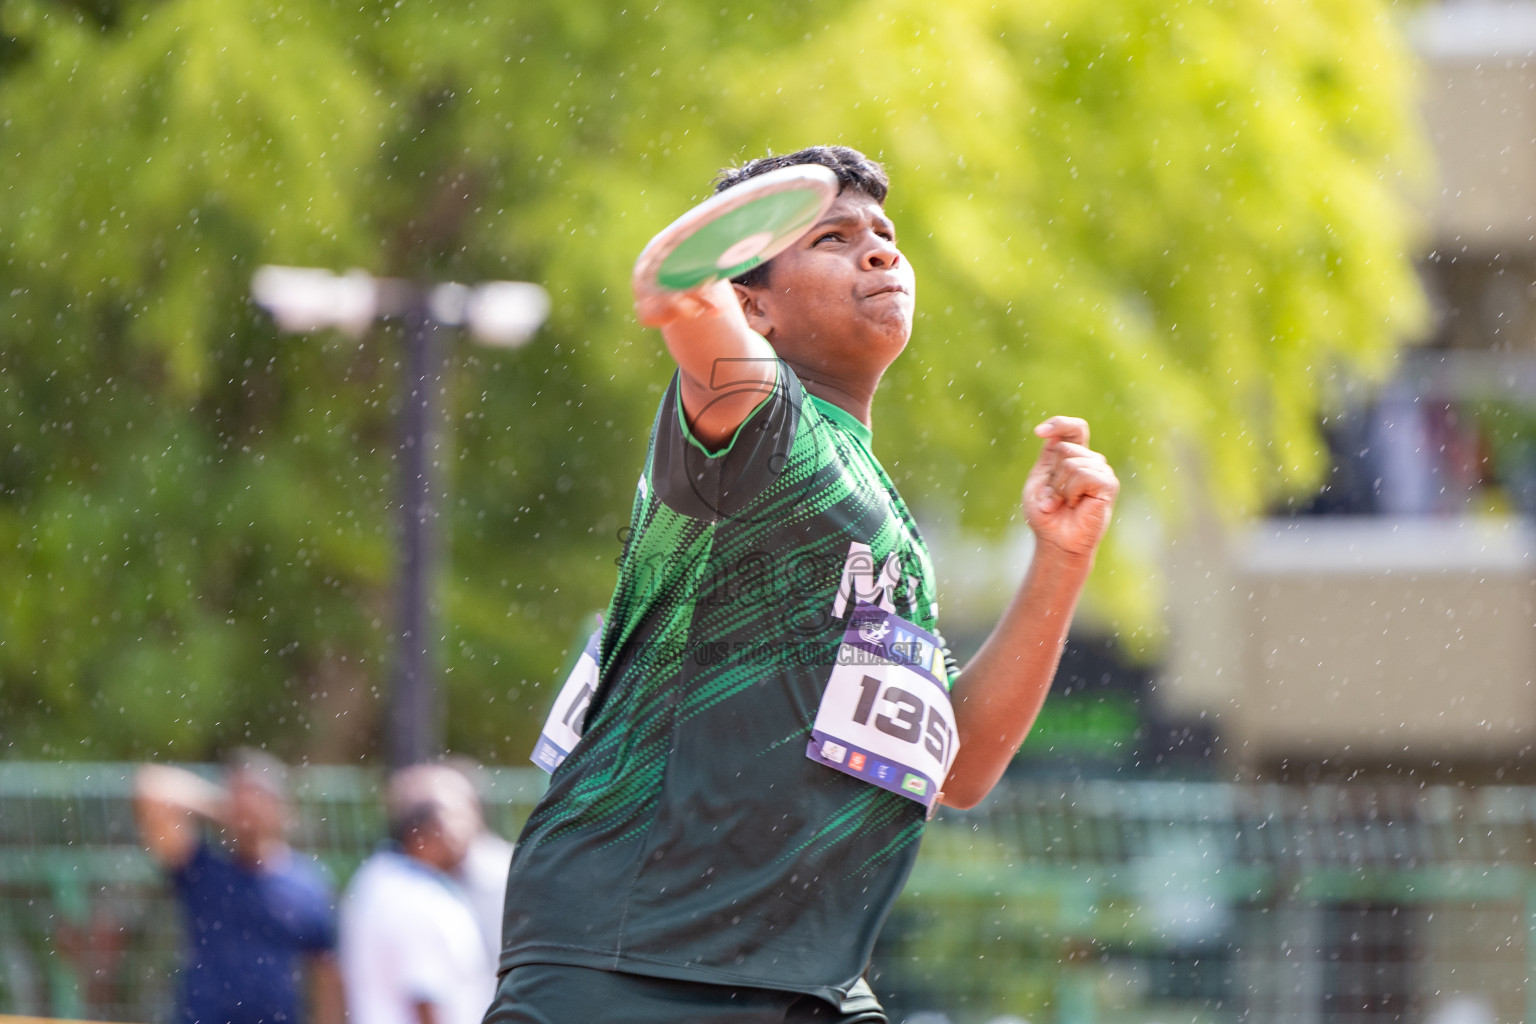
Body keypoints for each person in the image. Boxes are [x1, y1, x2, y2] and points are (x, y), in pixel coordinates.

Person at [487, 145, 1120, 1023]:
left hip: (804, 978)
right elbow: (685, 301)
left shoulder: (879, 510)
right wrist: (688, 284)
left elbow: (962, 767)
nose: (880, 251)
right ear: (755, 307)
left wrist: (1062, 556)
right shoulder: (757, 421)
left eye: (886, 234)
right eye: (834, 236)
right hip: (632, 966)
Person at [133, 750, 343, 1024]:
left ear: (281, 807)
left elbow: (327, 975)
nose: (248, 807)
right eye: (239, 797)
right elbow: (151, 787)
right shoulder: (202, 868)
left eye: (258, 797)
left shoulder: (308, 884)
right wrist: (224, 806)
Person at [339, 764, 496, 1024]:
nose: (471, 829)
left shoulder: (379, 879)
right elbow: (424, 998)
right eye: (459, 816)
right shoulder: (413, 897)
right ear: (424, 833)